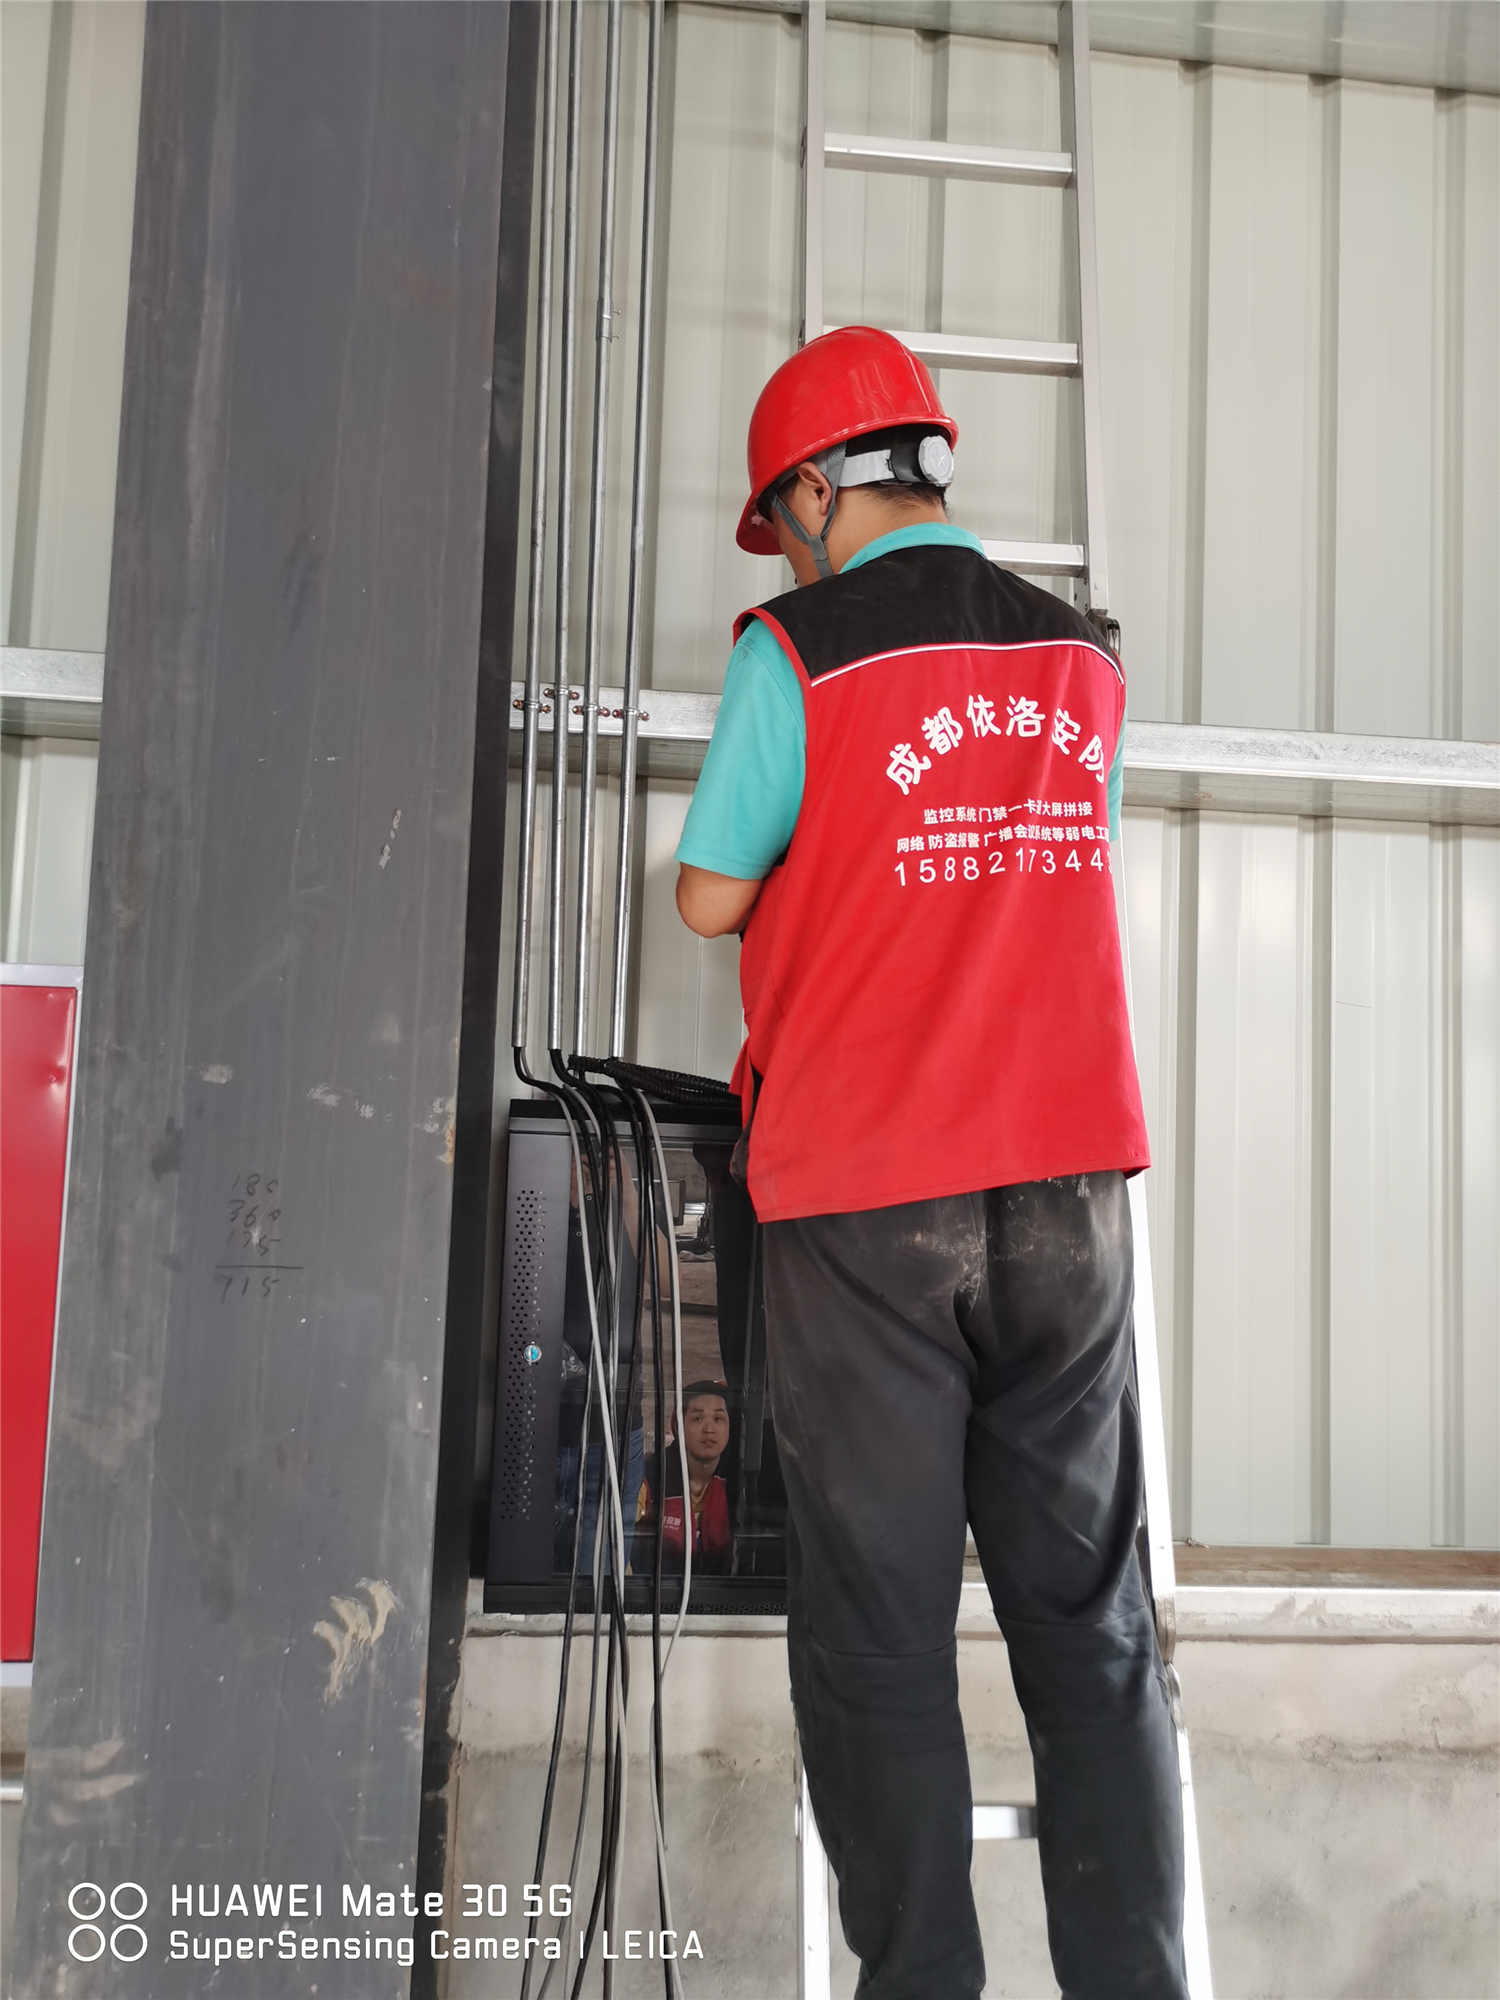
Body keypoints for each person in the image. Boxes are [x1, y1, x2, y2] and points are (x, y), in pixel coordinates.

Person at [674, 325, 1189, 1999]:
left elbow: (710, 897)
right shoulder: (1080, 658)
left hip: (870, 1196)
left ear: (821, 487)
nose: (786, 551)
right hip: (1068, 1196)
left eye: (783, 518)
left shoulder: (798, 652)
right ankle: (1131, 1977)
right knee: (1091, 1623)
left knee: (881, 1628)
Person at [635, 1381, 734, 1576]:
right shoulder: (649, 1476)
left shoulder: (741, 1480)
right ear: (677, 1425)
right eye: (697, 1419)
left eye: (718, 1419)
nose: (709, 1429)